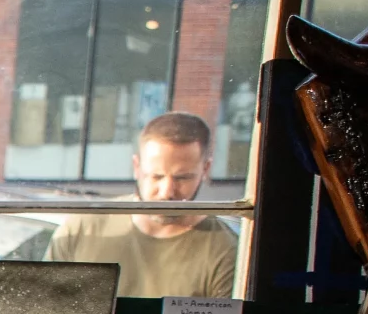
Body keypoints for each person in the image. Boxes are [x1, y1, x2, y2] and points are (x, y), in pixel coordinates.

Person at [47, 111, 240, 298]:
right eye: (156, 176)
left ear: (205, 169)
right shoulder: (82, 228)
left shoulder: (225, 250)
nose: (167, 192)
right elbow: (43, 311)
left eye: (183, 178)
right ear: (137, 167)